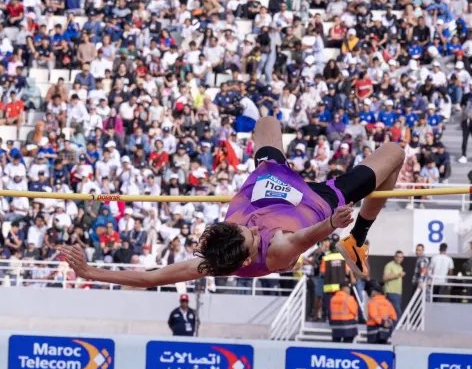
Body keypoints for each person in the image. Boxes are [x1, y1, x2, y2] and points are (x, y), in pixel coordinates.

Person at [62, 117, 404, 287]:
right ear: (248, 258)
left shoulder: (214, 257)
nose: (252, 228)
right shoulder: (276, 250)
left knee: (267, 122)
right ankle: (358, 239)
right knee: (394, 153)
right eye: (251, 236)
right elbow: (306, 236)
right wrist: (332, 224)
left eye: (241, 228)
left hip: (273, 179)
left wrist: (90, 271)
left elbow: (153, 278)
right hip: (316, 202)